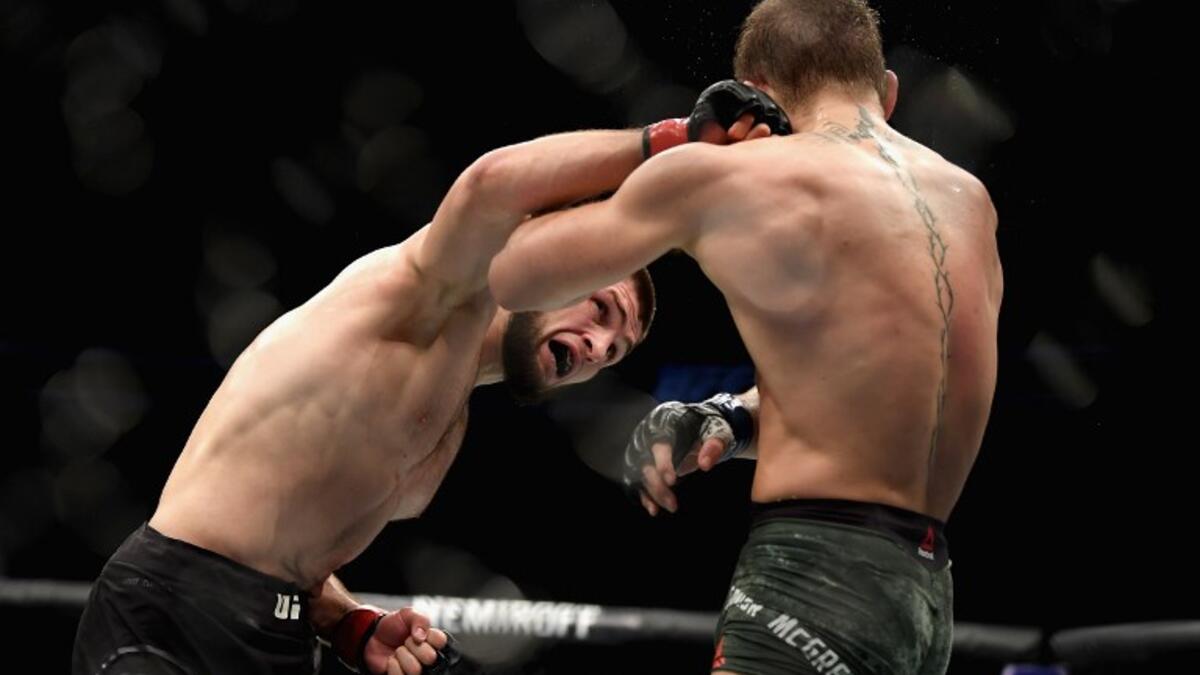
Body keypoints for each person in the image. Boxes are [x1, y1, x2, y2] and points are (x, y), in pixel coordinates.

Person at [487, 1, 1004, 672]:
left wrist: (672, 141)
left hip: (809, 575)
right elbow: (884, 400)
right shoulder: (969, 199)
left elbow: (511, 274)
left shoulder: (730, 176)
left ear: (755, 92)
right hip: (923, 593)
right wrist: (729, 416)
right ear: (888, 89)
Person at [70, 122, 670, 675]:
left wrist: (349, 623)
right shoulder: (429, 297)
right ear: (554, 266)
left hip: (279, 634)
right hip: (172, 616)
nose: (597, 348)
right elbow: (490, 186)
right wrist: (666, 142)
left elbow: (291, 550)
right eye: (600, 310)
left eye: (615, 352)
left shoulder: (456, 404)